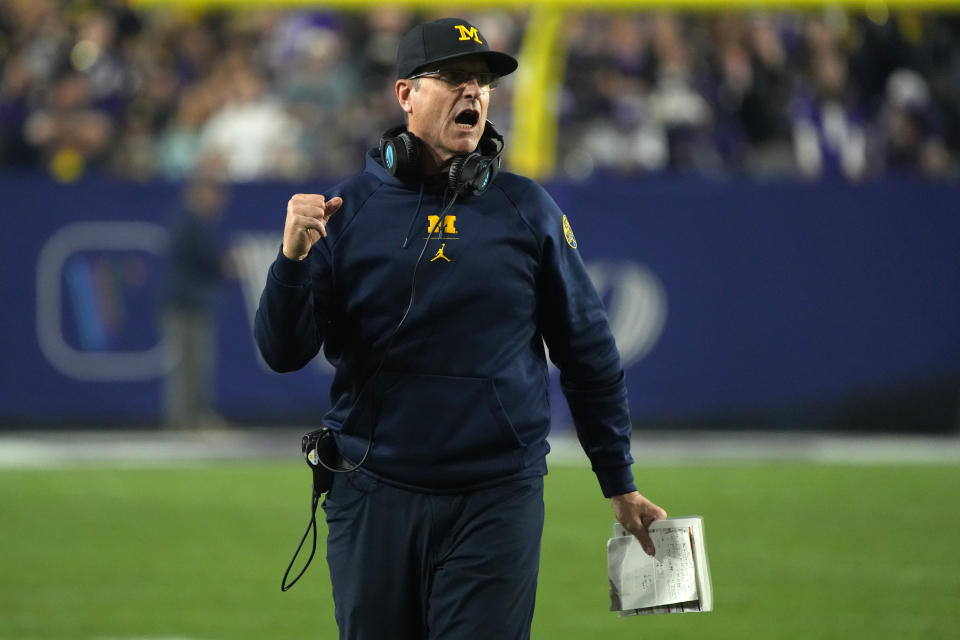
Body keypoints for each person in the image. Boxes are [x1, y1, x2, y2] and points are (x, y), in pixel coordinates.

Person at [254, 17, 667, 639]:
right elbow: (283, 353)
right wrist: (290, 261)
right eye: (452, 77)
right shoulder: (347, 212)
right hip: (372, 490)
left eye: (482, 82)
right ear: (406, 95)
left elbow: (588, 353)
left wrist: (620, 481)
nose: (473, 92)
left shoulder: (527, 210)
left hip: (496, 496)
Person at [161, 162, 232, 429]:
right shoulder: (191, 221)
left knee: (194, 364)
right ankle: (187, 419)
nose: (220, 200)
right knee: (188, 364)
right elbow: (209, 259)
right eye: (214, 193)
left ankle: (191, 417)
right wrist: (223, 263)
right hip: (185, 303)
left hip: (190, 302)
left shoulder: (194, 221)